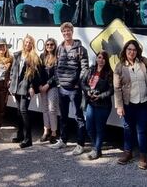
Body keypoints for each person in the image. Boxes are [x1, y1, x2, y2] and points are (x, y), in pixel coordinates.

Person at [50, 22, 89, 156]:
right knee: (63, 117)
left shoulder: (80, 49)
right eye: (64, 32)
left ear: (72, 32)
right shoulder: (59, 48)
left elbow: (85, 69)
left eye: (68, 31)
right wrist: (58, 83)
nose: (66, 33)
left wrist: (78, 83)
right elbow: (56, 67)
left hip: (74, 89)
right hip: (62, 89)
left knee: (79, 117)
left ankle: (80, 144)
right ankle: (63, 140)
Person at [114, 40, 147, 169]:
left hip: (143, 103)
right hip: (128, 104)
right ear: (125, 51)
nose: (132, 52)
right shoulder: (119, 66)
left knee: (142, 131)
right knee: (128, 129)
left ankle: (143, 156)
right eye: (129, 49)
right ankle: (128, 152)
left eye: (134, 50)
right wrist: (119, 106)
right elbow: (117, 88)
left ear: (138, 51)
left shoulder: (143, 62)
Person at [8, 35, 44, 149]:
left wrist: (32, 87)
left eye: (30, 43)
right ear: (23, 43)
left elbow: (35, 75)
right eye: (26, 42)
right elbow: (13, 70)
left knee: (24, 111)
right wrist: (10, 81)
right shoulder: (17, 54)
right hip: (16, 86)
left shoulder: (34, 57)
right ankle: (20, 135)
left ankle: (28, 139)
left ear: (32, 44)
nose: (27, 44)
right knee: (19, 111)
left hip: (26, 86)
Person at [81, 50, 114, 160]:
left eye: (103, 58)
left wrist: (100, 96)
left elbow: (111, 90)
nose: (101, 60)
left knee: (100, 128)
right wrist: (87, 91)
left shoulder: (109, 72)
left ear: (106, 60)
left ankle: (96, 150)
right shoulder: (91, 70)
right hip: (91, 103)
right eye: (99, 57)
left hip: (103, 105)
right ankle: (97, 147)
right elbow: (82, 83)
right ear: (96, 58)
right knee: (89, 127)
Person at [38, 37, 59, 143]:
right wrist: (40, 85)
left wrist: (48, 84)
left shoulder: (57, 57)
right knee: (45, 109)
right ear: (45, 46)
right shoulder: (42, 56)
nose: (49, 46)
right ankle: (46, 131)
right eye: (47, 45)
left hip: (53, 86)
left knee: (52, 109)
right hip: (42, 87)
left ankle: (54, 133)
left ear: (55, 46)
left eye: (51, 44)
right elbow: (39, 72)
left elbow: (57, 74)